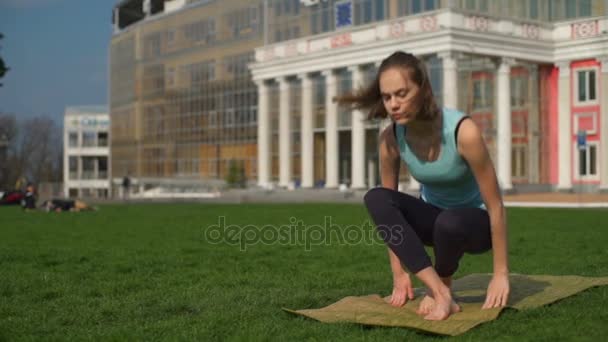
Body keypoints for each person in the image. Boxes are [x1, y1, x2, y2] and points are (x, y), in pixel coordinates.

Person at [336, 51, 509, 321]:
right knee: (377, 198)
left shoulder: (463, 132)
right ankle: (440, 291)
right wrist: (398, 274)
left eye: (402, 93)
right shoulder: (391, 138)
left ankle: (444, 280)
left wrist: (500, 275)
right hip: (434, 222)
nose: (393, 104)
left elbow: (496, 206)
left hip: (475, 226)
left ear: (424, 89)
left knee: (449, 222)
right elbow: (390, 217)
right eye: (387, 97)